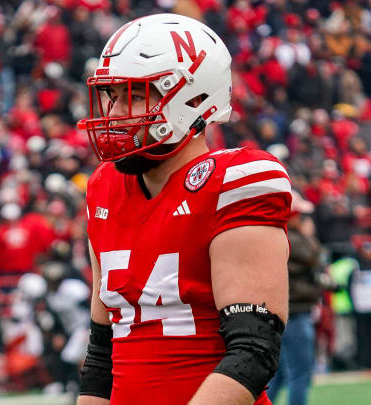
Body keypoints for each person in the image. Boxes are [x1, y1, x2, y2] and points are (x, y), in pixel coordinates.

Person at [77, 14, 291, 405]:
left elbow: (253, 351)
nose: (114, 114)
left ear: (192, 98)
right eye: (113, 95)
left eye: (135, 94)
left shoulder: (235, 180)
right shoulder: (102, 189)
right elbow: (101, 356)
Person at [267, 191, 322, 405]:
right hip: (296, 314)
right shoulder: (294, 239)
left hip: (283, 315)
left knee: (279, 374)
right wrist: (308, 236)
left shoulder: (274, 237)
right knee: (300, 374)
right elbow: (312, 256)